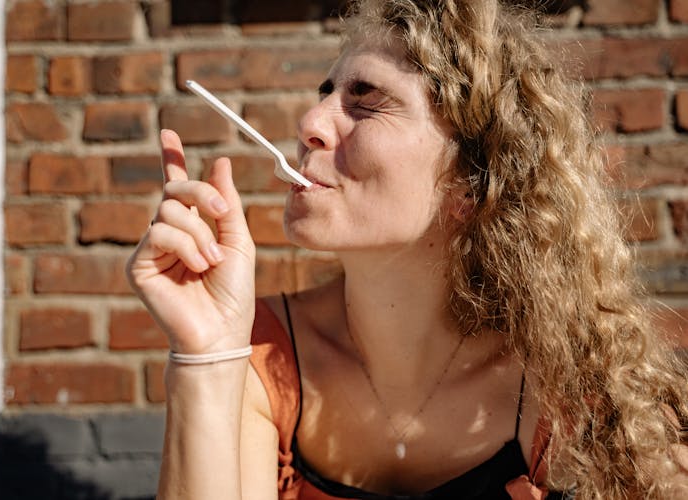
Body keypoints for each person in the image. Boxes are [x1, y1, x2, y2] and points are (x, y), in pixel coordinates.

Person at [126, 0, 688, 498]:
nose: (310, 123)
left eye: (365, 101)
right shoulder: (259, 352)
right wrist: (204, 355)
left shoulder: (573, 386)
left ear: (470, 182)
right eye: (326, 94)